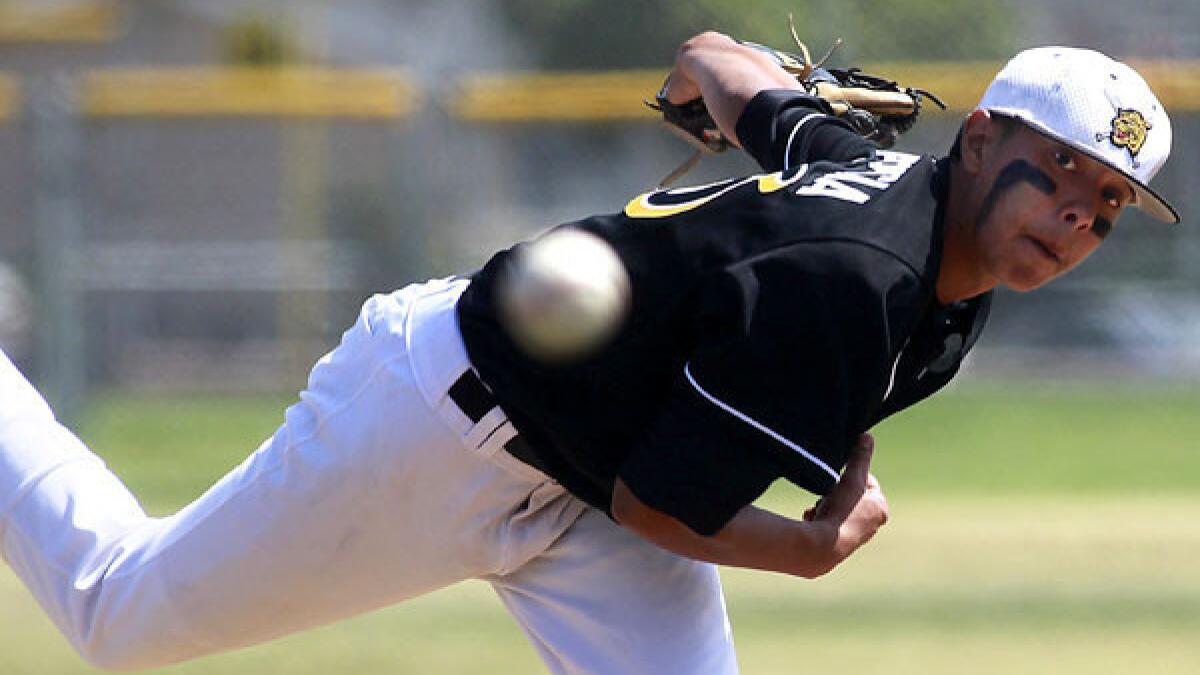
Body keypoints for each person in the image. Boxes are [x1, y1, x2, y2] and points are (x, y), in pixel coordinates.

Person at [0, 33, 1177, 673]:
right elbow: (662, 504)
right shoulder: (856, 272)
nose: (1080, 210)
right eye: (1062, 166)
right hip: (440, 423)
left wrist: (709, 79)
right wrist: (812, 553)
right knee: (122, 620)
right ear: (979, 137)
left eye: (1111, 200)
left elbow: (722, 56)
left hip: (589, 481)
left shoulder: (891, 205)